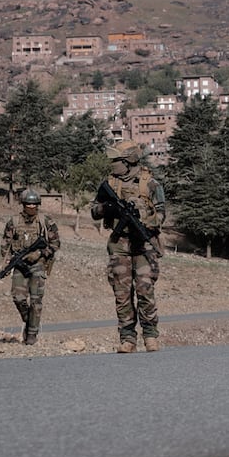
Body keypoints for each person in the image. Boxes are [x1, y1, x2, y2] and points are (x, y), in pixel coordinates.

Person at [90, 140, 166, 354]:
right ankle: (127, 338)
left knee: (144, 289)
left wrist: (145, 222)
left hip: (143, 243)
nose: (113, 164)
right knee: (121, 293)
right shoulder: (109, 184)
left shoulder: (150, 184)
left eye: (117, 161)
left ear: (128, 160)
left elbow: (161, 214)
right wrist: (108, 209)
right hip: (119, 244)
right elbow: (94, 210)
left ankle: (150, 335)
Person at [0, 189, 60, 345]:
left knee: (36, 300)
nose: (31, 207)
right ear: (23, 204)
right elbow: (5, 243)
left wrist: (40, 253)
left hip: (38, 265)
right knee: (18, 297)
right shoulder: (14, 221)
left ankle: (32, 333)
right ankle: (29, 320)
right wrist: (8, 261)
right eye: (28, 204)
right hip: (20, 264)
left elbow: (55, 244)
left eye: (34, 204)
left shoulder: (45, 221)